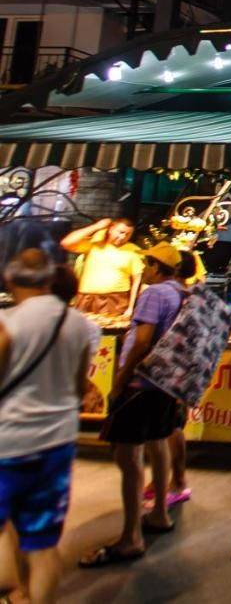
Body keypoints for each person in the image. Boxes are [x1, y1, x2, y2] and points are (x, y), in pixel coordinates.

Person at [0, 250, 99, 604]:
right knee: (43, 545)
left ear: (10, 280)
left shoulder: (8, 322)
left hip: (8, 444)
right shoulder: (78, 324)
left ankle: (14, 589)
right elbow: (77, 387)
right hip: (57, 444)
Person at [80, 243, 187, 568]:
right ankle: (160, 514)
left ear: (156, 266)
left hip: (140, 383)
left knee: (127, 456)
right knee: (158, 441)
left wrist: (121, 379)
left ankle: (131, 537)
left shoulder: (154, 294)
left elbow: (141, 341)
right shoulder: (181, 293)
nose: (143, 270)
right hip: (165, 382)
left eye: (146, 264)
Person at [143, 251, 200, 514]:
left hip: (171, 371)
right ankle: (165, 480)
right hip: (179, 369)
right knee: (169, 426)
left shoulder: (176, 296)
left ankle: (177, 482)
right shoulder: (189, 295)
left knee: (171, 428)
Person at [60, 218, 143, 318]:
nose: (123, 237)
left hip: (115, 299)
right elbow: (66, 243)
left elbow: (137, 281)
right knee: (82, 325)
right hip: (86, 297)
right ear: (111, 229)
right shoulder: (94, 245)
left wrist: (131, 307)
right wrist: (97, 226)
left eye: (128, 234)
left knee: (110, 326)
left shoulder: (133, 251)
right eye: (121, 232)